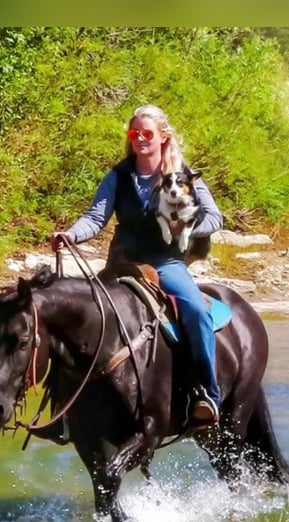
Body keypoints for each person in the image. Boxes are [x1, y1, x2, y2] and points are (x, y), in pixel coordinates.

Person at [50, 104, 223, 424]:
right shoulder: (118, 176)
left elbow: (215, 218)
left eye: (147, 134)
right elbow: (95, 217)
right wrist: (71, 235)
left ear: (162, 137)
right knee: (73, 314)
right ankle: (61, 407)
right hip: (121, 262)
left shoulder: (182, 174)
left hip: (166, 262)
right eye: (135, 134)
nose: (140, 139)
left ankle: (208, 394)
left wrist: (185, 227)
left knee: (196, 311)